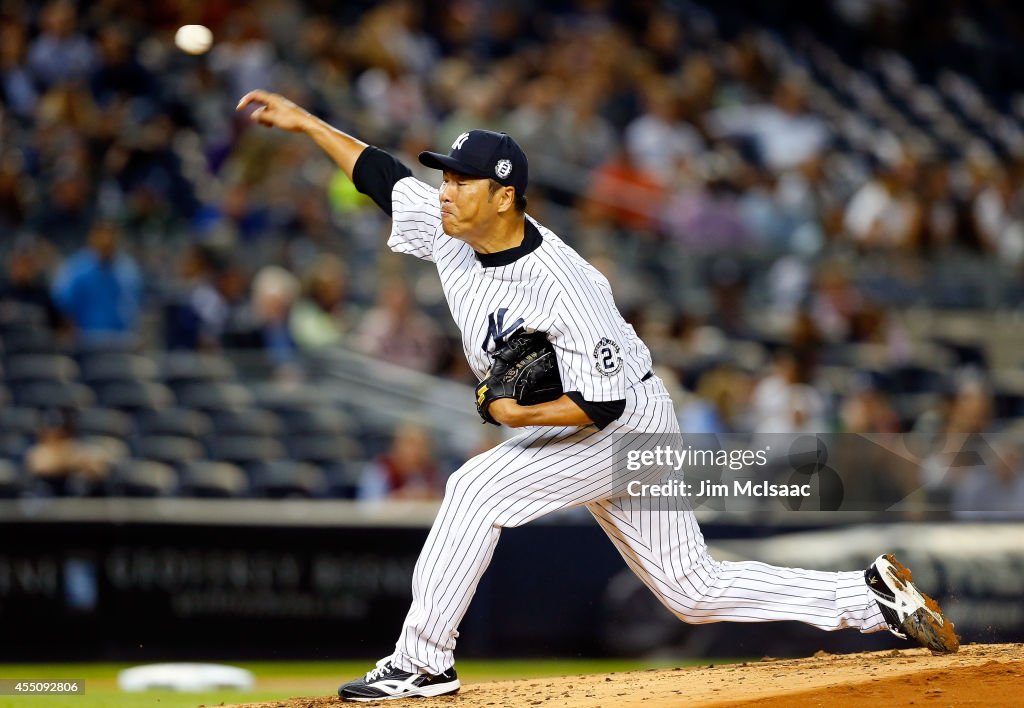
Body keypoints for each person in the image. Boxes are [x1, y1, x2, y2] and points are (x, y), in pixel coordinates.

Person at [236, 90, 959, 702]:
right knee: (691, 589)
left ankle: (422, 662)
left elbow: (603, 406)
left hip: (620, 424)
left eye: (460, 180)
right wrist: (305, 121)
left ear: (504, 194)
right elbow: (380, 175)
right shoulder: (454, 231)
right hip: (601, 421)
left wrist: (517, 413)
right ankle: (869, 600)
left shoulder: (565, 284)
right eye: (446, 178)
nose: (445, 190)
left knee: (475, 490)